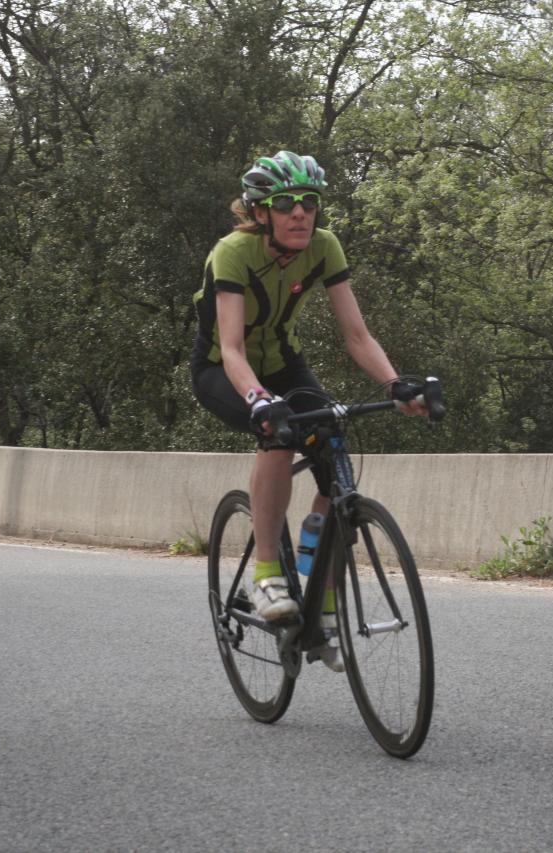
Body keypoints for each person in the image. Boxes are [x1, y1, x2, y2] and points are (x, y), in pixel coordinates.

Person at [191, 150, 423, 670]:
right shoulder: (232, 252)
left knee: (332, 445)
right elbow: (231, 349)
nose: (299, 213)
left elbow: (357, 335)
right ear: (261, 212)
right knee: (279, 435)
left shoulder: (324, 246)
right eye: (285, 204)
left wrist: (395, 383)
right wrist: (260, 401)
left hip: (285, 365)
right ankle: (266, 574)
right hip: (222, 370)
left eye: (309, 203)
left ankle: (319, 587)